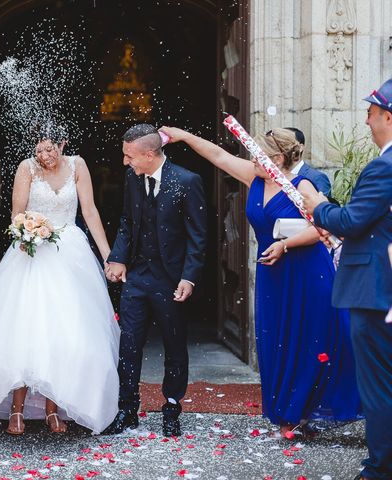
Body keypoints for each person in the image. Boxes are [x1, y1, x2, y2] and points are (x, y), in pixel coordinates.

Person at [160, 125, 361, 438]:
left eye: (258, 157)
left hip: (306, 270)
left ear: (278, 158)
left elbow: (326, 223)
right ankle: (287, 412)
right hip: (272, 273)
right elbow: (218, 155)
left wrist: (286, 244)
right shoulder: (255, 176)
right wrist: (185, 136)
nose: (252, 161)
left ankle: (298, 415)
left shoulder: (305, 182)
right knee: (275, 339)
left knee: (309, 338)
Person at [0, 124, 120, 436]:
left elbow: (89, 211)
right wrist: (27, 234)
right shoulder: (26, 168)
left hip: (70, 255)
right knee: (23, 330)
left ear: (63, 142)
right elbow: (17, 214)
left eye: (50, 149)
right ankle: (16, 412)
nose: (45, 156)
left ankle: (53, 409)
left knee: (64, 332)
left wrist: (106, 255)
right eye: (39, 151)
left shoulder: (78, 165)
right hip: (32, 256)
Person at [303, 78, 392, 480]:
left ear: (388, 116)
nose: (367, 122)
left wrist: (320, 207)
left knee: (378, 385)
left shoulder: (384, 166)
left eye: (371, 114)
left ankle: (379, 467)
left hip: (376, 291)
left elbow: (354, 221)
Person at [103, 124, 207, 437]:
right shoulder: (132, 178)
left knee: (175, 345)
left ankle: (172, 408)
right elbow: (126, 221)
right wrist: (118, 257)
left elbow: (198, 237)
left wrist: (189, 277)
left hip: (171, 279)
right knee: (129, 344)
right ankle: (127, 410)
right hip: (137, 276)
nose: (125, 162)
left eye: (129, 156)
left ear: (150, 154)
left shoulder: (188, 181)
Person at [284, 127, 332, 197]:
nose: (281, 148)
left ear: (300, 148)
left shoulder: (317, 178)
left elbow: (323, 206)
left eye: (286, 144)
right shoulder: (273, 176)